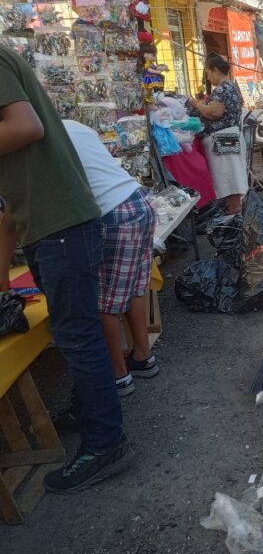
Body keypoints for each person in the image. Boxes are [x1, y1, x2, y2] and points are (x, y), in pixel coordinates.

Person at [0, 44, 132, 493]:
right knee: (75, 332)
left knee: (77, 334)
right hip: (51, 225)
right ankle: (94, 415)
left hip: (60, 225)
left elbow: (26, 126)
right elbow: (5, 213)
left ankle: (105, 443)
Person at [63, 120, 159, 397]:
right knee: (134, 287)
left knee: (104, 301)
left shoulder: (41, 137)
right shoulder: (73, 125)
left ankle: (118, 374)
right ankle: (143, 357)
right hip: (139, 201)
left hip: (113, 213)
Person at [189, 53, 247, 215]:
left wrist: (197, 105)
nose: (208, 78)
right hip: (228, 135)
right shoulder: (230, 86)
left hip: (223, 137)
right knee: (230, 171)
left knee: (227, 172)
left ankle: (234, 209)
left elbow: (215, 112)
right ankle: (233, 207)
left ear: (215, 71)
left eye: (208, 73)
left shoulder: (222, 88)